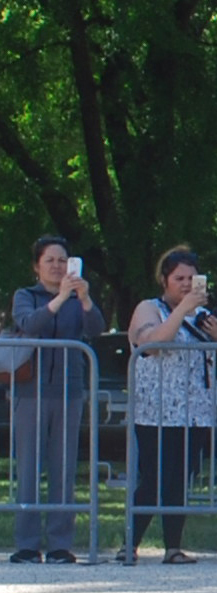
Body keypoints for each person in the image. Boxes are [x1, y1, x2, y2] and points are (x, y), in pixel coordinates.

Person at [123, 246, 217, 565]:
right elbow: (154, 345)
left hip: (196, 413)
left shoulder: (206, 318)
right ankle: (129, 544)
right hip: (156, 411)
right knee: (154, 479)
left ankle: (173, 547)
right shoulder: (149, 308)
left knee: (180, 481)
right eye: (179, 278)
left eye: (192, 278)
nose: (186, 284)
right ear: (164, 280)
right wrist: (182, 309)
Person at [10, 236, 106, 563]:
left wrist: (84, 298)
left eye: (62, 260)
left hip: (68, 389)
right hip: (31, 390)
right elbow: (28, 325)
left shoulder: (77, 299)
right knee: (28, 467)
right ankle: (26, 543)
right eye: (50, 260)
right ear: (37, 266)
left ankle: (60, 544)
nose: (57, 266)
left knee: (63, 467)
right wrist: (58, 298)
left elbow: (96, 329)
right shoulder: (26, 296)